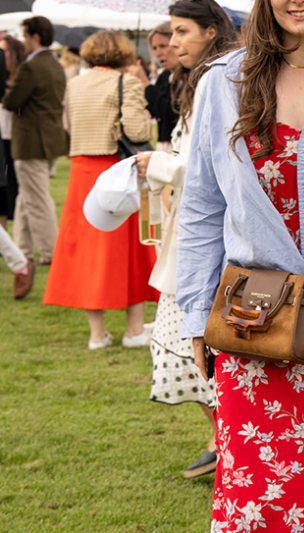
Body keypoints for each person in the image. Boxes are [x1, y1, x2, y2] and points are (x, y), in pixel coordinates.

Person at [176, 0, 304, 529]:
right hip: (250, 326)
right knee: (252, 498)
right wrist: (196, 316)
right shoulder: (223, 83)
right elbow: (201, 206)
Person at [133, 0, 236, 479]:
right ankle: (221, 439)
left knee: (200, 345)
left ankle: (226, 442)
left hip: (213, 235)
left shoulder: (226, 80)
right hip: (186, 229)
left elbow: (213, 163)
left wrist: (160, 163)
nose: (171, 43)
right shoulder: (193, 81)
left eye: (180, 32)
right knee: (183, 346)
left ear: (211, 31)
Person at [42, 30, 158, 350]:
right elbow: (136, 131)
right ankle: (134, 330)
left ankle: (97, 334)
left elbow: (68, 125)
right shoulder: (127, 82)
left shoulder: (75, 84)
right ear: (123, 54)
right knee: (132, 248)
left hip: (82, 170)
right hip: (116, 170)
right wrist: (147, 120)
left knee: (88, 249)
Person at [1, 16, 67, 267]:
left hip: (31, 143)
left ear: (35, 37)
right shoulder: (54, 63)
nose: (23, 41)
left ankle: (51, 252)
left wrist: (6, 92)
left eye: (25, 36)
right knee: (25, 198)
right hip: (48, 141)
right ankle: (23, 249)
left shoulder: (31, 67)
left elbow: (13, 102)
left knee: (37, 200)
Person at [142, 22, 181, 155]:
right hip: (163, 143)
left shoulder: (191, 77)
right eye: (154, 48)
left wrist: (146, 84)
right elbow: (155, 109)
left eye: (163, 46)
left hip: (179, 146)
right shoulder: (165, 75)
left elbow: (170, 112)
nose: (158, 53)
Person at [0, 36, 25, 232]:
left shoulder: (22, 76)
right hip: (2, 134)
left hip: (15, 135)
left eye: (5, 51)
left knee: (14, 183)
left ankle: (16, 224)